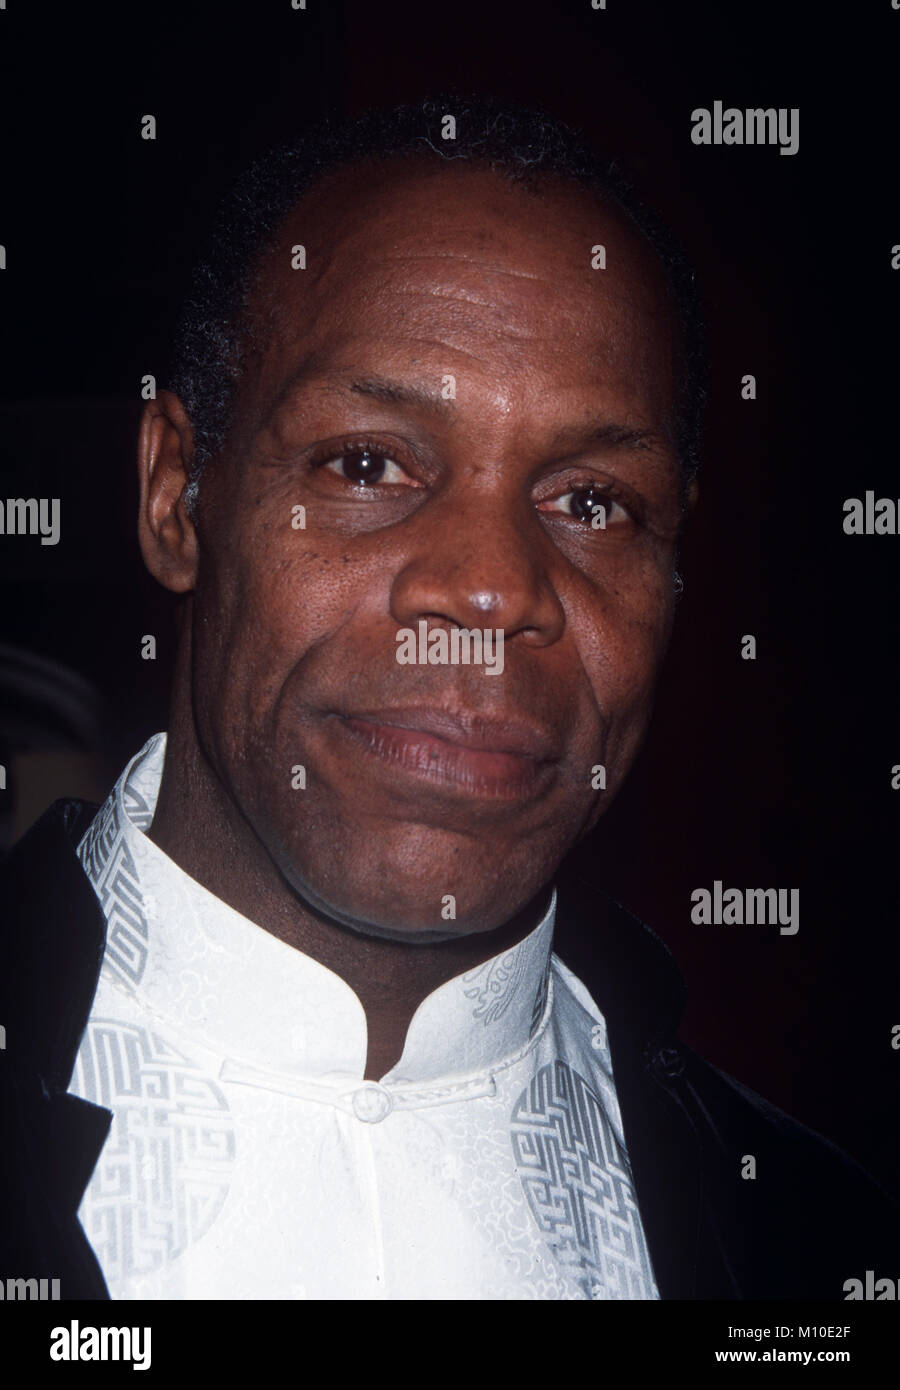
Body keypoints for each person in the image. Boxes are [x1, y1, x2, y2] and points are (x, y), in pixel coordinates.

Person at [1, 98, 895, 1300]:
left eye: (591, 501)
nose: (490, 587)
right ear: (177, 496)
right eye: (368, 464)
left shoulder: (822, 1249)